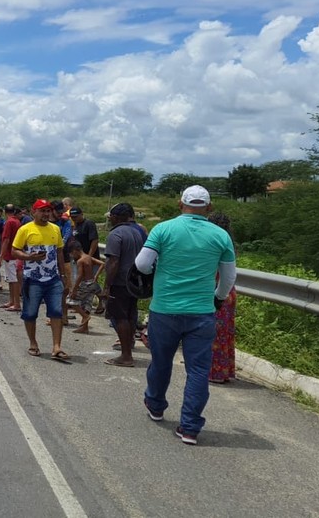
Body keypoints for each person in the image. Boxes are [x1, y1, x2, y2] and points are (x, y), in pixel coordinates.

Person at [135, 185, 236, 445]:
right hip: (202, 312)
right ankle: (190, 427)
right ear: (209, 208)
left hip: (165, 309)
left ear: (180, 204)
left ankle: (156, 406)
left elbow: (142, 264)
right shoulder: (220, 236)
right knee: (199, 370)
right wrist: (218, 298)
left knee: (161, 361)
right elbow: (229, 277)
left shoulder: (163, 229)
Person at [11, 199, 70, 361]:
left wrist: (64, 276)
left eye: (47, 211)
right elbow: (15, 251)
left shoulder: (56, 229)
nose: (45, 214)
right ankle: (33, 343)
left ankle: (57, 347)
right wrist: (29, 257)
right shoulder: (25, 230)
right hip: (32, 279)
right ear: (33, 212)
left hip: (53, 279)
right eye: (42, 211)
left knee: (56, 312)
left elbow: (59, 253)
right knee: (30, 313)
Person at [101, 203, 147, 366]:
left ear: (117, 217)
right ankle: (129, 346)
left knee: (120, 317)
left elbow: (113, 261)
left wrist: (107, 286)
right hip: (137, 281)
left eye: (111, 217)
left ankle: (126, 355)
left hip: (120, 282)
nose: (110, 220)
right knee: (130, 314)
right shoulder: (141, 232)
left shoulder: (116, 234)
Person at [207, 212, 237, 384]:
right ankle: (224, 371)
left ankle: (215, 372)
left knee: (213, 333)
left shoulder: (213, 242)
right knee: (225, 333)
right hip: (229, 291)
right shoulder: (228, 243)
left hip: (217, 291)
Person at [66, 239, 105, 334]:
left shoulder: (80, 261)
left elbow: (79, 276)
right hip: (92, 284)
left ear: (75, 251)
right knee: (86, 304)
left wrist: (74, 289)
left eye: (71, 254)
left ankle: (85, 316)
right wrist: (96, 276)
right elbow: (102, 264)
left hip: (85, 284)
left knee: (70, 301)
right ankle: (84, 327)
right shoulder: (88, 257)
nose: (72, 256)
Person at [0, 203, 22, 312]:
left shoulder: (9, 222)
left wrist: (1, 256)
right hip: (15, 254)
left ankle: (16, 303)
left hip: (10, 255)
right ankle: (12, 301)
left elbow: (6, 240)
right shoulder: (17, 221)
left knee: (14, 280)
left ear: (4, 211)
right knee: (12, 280)